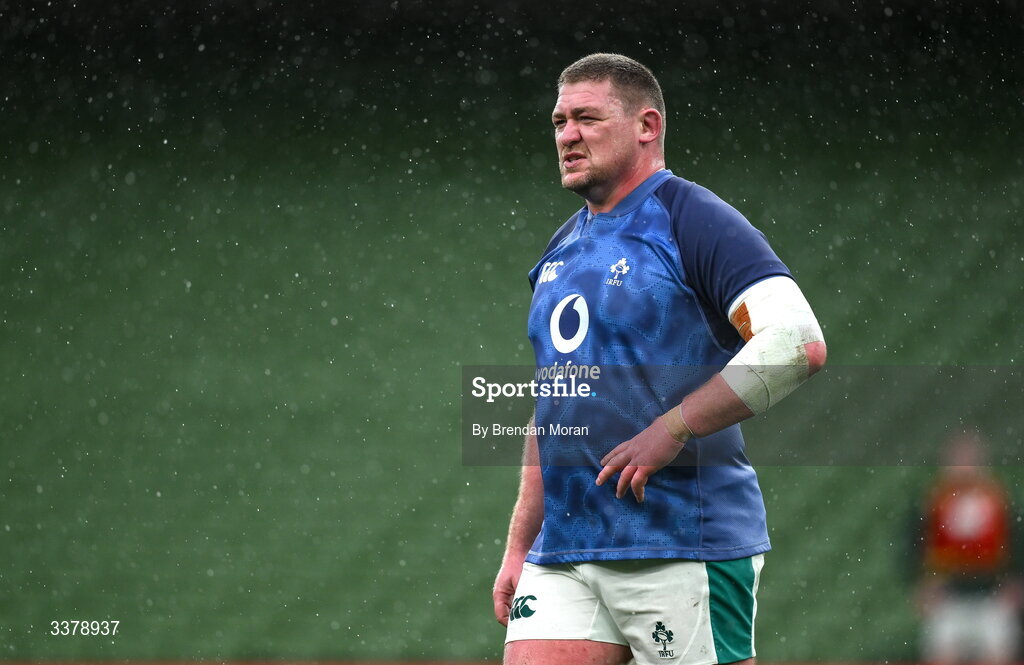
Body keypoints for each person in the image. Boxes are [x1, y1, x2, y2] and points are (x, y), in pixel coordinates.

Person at [491, 53, 827, 665]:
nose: (567, 135)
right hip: (566, 552)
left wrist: (671, 429)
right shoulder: (560, 251)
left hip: (682, 544)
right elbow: (555, 401)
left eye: (587, 118)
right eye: (559, 121)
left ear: (647, 126)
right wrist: (521, 542)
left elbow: (796, 343)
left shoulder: (694, 220)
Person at [912, 430, 1021, 664]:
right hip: (948, 596)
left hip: (992, 594)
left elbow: (1015, 543)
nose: (965, 466)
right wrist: (923, 584)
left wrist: (1014, 582)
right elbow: (916, 545)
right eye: (959, 460)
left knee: (998, 653)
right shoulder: (935, 500)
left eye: (970, 459)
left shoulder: (996, 498)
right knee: (942, 653)